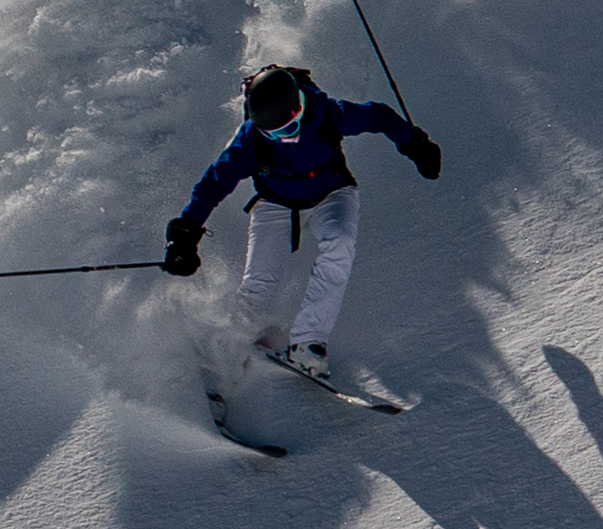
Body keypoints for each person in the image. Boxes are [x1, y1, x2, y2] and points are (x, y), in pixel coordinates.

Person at [159, 59, 437, 372]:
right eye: (273, 134)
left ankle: (308, 342)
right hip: (276, 201)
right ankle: (225, 360)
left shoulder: (328, 114)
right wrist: (185, 234)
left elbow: (380, 116)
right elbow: (213, 183)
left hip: (331, 194)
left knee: (339, 244)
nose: (284, 139)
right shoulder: (250, 140)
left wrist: (417, 145)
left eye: (289, 129)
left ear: (299, 110)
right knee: (259, 282)